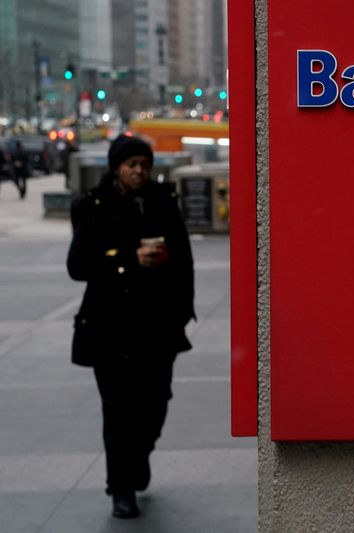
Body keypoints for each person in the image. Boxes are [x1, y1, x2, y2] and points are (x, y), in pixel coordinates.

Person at [67, 135, 195, 519]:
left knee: (155, 405)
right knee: (119, 410)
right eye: (131, 165)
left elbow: (184, 258)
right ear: (116, 168)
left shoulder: (162, 202)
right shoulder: (91, 206)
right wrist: (129, 259)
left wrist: (183, 309)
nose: (139, 172)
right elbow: (79, 266)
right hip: (110, 328)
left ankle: (139, 459)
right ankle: (120, 487)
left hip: (158, 328)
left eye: (144, 164)